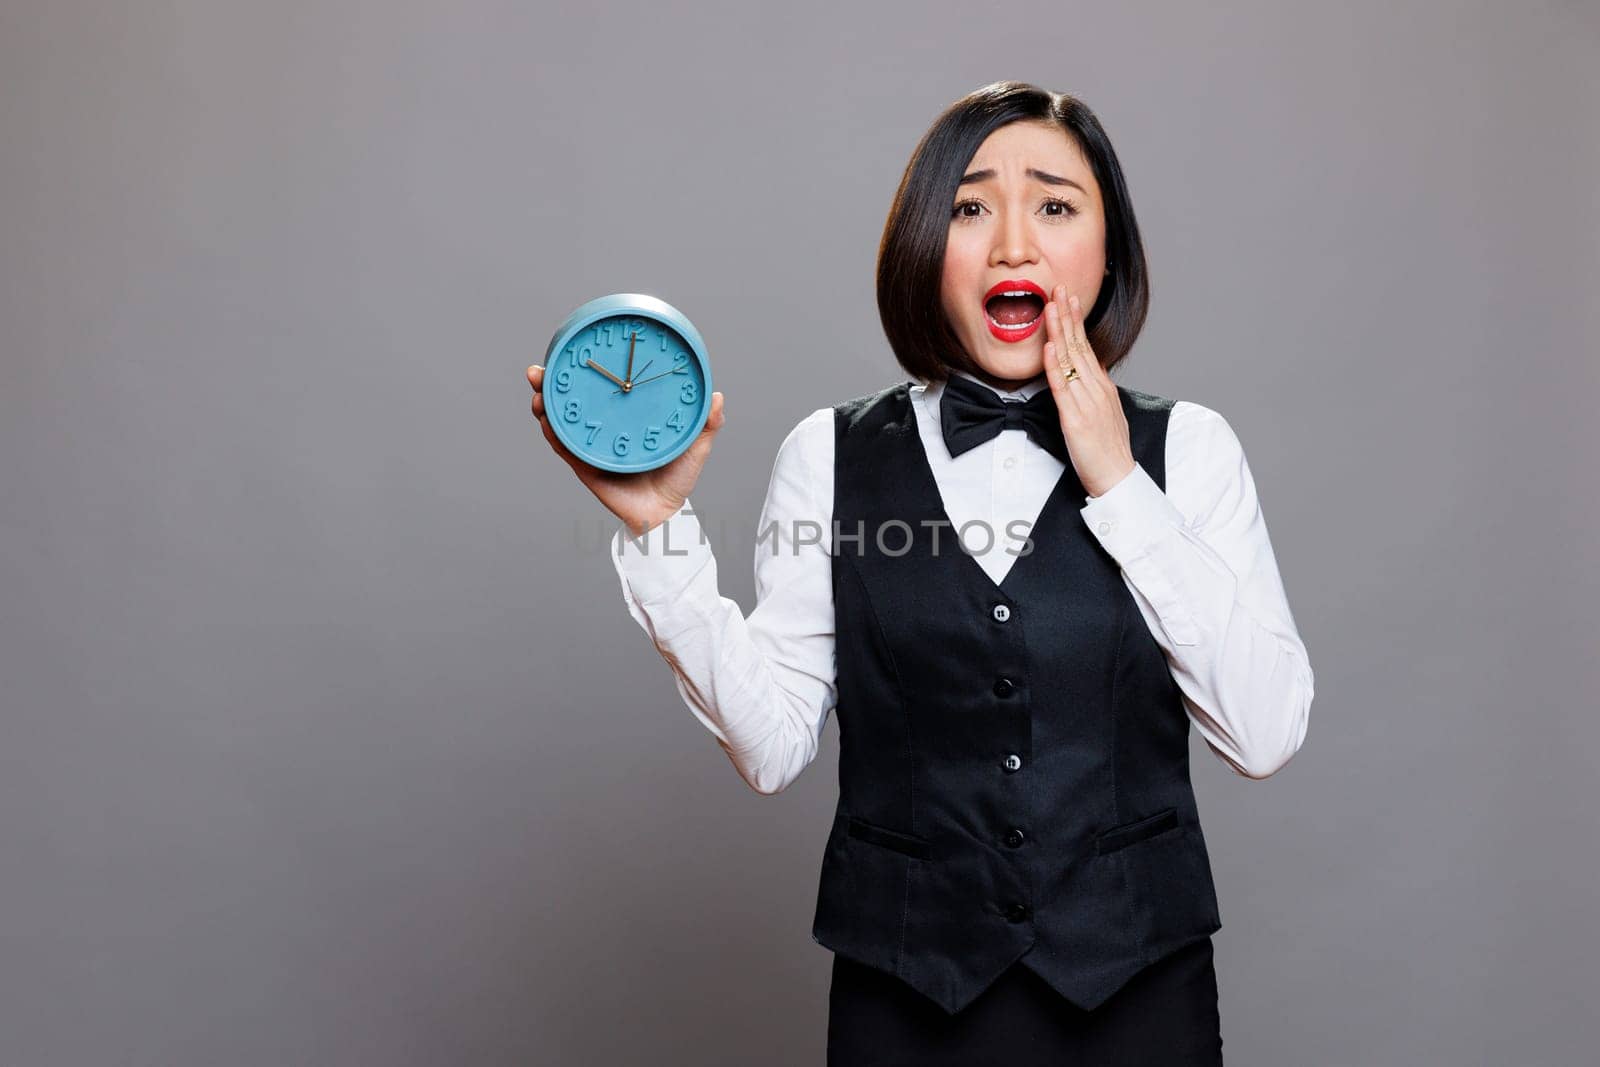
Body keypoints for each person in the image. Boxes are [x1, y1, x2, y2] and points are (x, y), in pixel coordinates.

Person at [526, 80, 1313, 1066]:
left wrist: (1116, 480)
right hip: (902, 1001)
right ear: (921, 250)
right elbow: (770, 747)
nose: (1012, 244)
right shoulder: (829, 453)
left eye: (1055, 206)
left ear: (1106, 253)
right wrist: (659, 532)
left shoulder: (1189, 449)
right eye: (970, 207)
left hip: (1138, 999)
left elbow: (1266, 731)